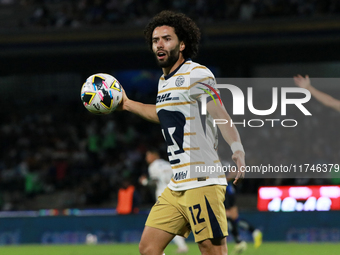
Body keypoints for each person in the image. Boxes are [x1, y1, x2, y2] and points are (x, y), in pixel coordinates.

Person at [119, 11, 246, 255]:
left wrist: (237, 148)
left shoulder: (196, 74)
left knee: (212, 251)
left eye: (166, 38)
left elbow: (220, 113)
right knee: (148, 248)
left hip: (202, 181)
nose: (159, 44)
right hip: (177, 184)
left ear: (182, 44)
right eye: (155, 40)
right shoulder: (163, 81)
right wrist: (126, 104)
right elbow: (162, 114)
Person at [140, 148, 189, 253]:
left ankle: (181, 246)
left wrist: (144, 182)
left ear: (154, 155)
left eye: (148, 155)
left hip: (163, 196)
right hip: (177, 192)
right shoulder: (168, 163)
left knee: (166, 225)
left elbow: (154, 180)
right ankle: (182, 245)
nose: (147, 158)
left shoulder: (153, 166)